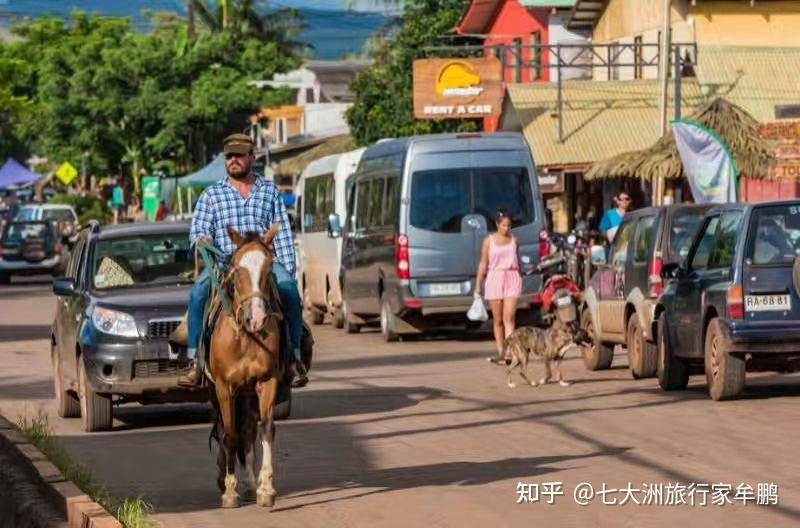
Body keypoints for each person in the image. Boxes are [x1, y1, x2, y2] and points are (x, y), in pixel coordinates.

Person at [180, 133, 307, 386]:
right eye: (229, 156)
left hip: (262, 264)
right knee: (197, 294)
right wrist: (202, 239)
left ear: (252, 157)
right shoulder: (211, 195)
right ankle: (194, 362)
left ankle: (293, 359)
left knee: (290, 292)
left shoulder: (269, 191)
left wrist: (287, 270)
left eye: (239, 155)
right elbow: (197, 233)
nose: (234, 160)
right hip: (226, 263)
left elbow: (281, 234)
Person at [475, 210, 522, 365]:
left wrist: (520, 274)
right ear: (497, 224)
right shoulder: (488, 241)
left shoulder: (515, 240)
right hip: (495, 278)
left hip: (512, 277)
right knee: (498, 320)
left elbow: (518, 261)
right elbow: (483, 264)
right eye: (503, 225)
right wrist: (478, 287)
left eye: (508, 225)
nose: (506, 228)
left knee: (509, 318)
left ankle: (509, 353)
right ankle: (501, 351)